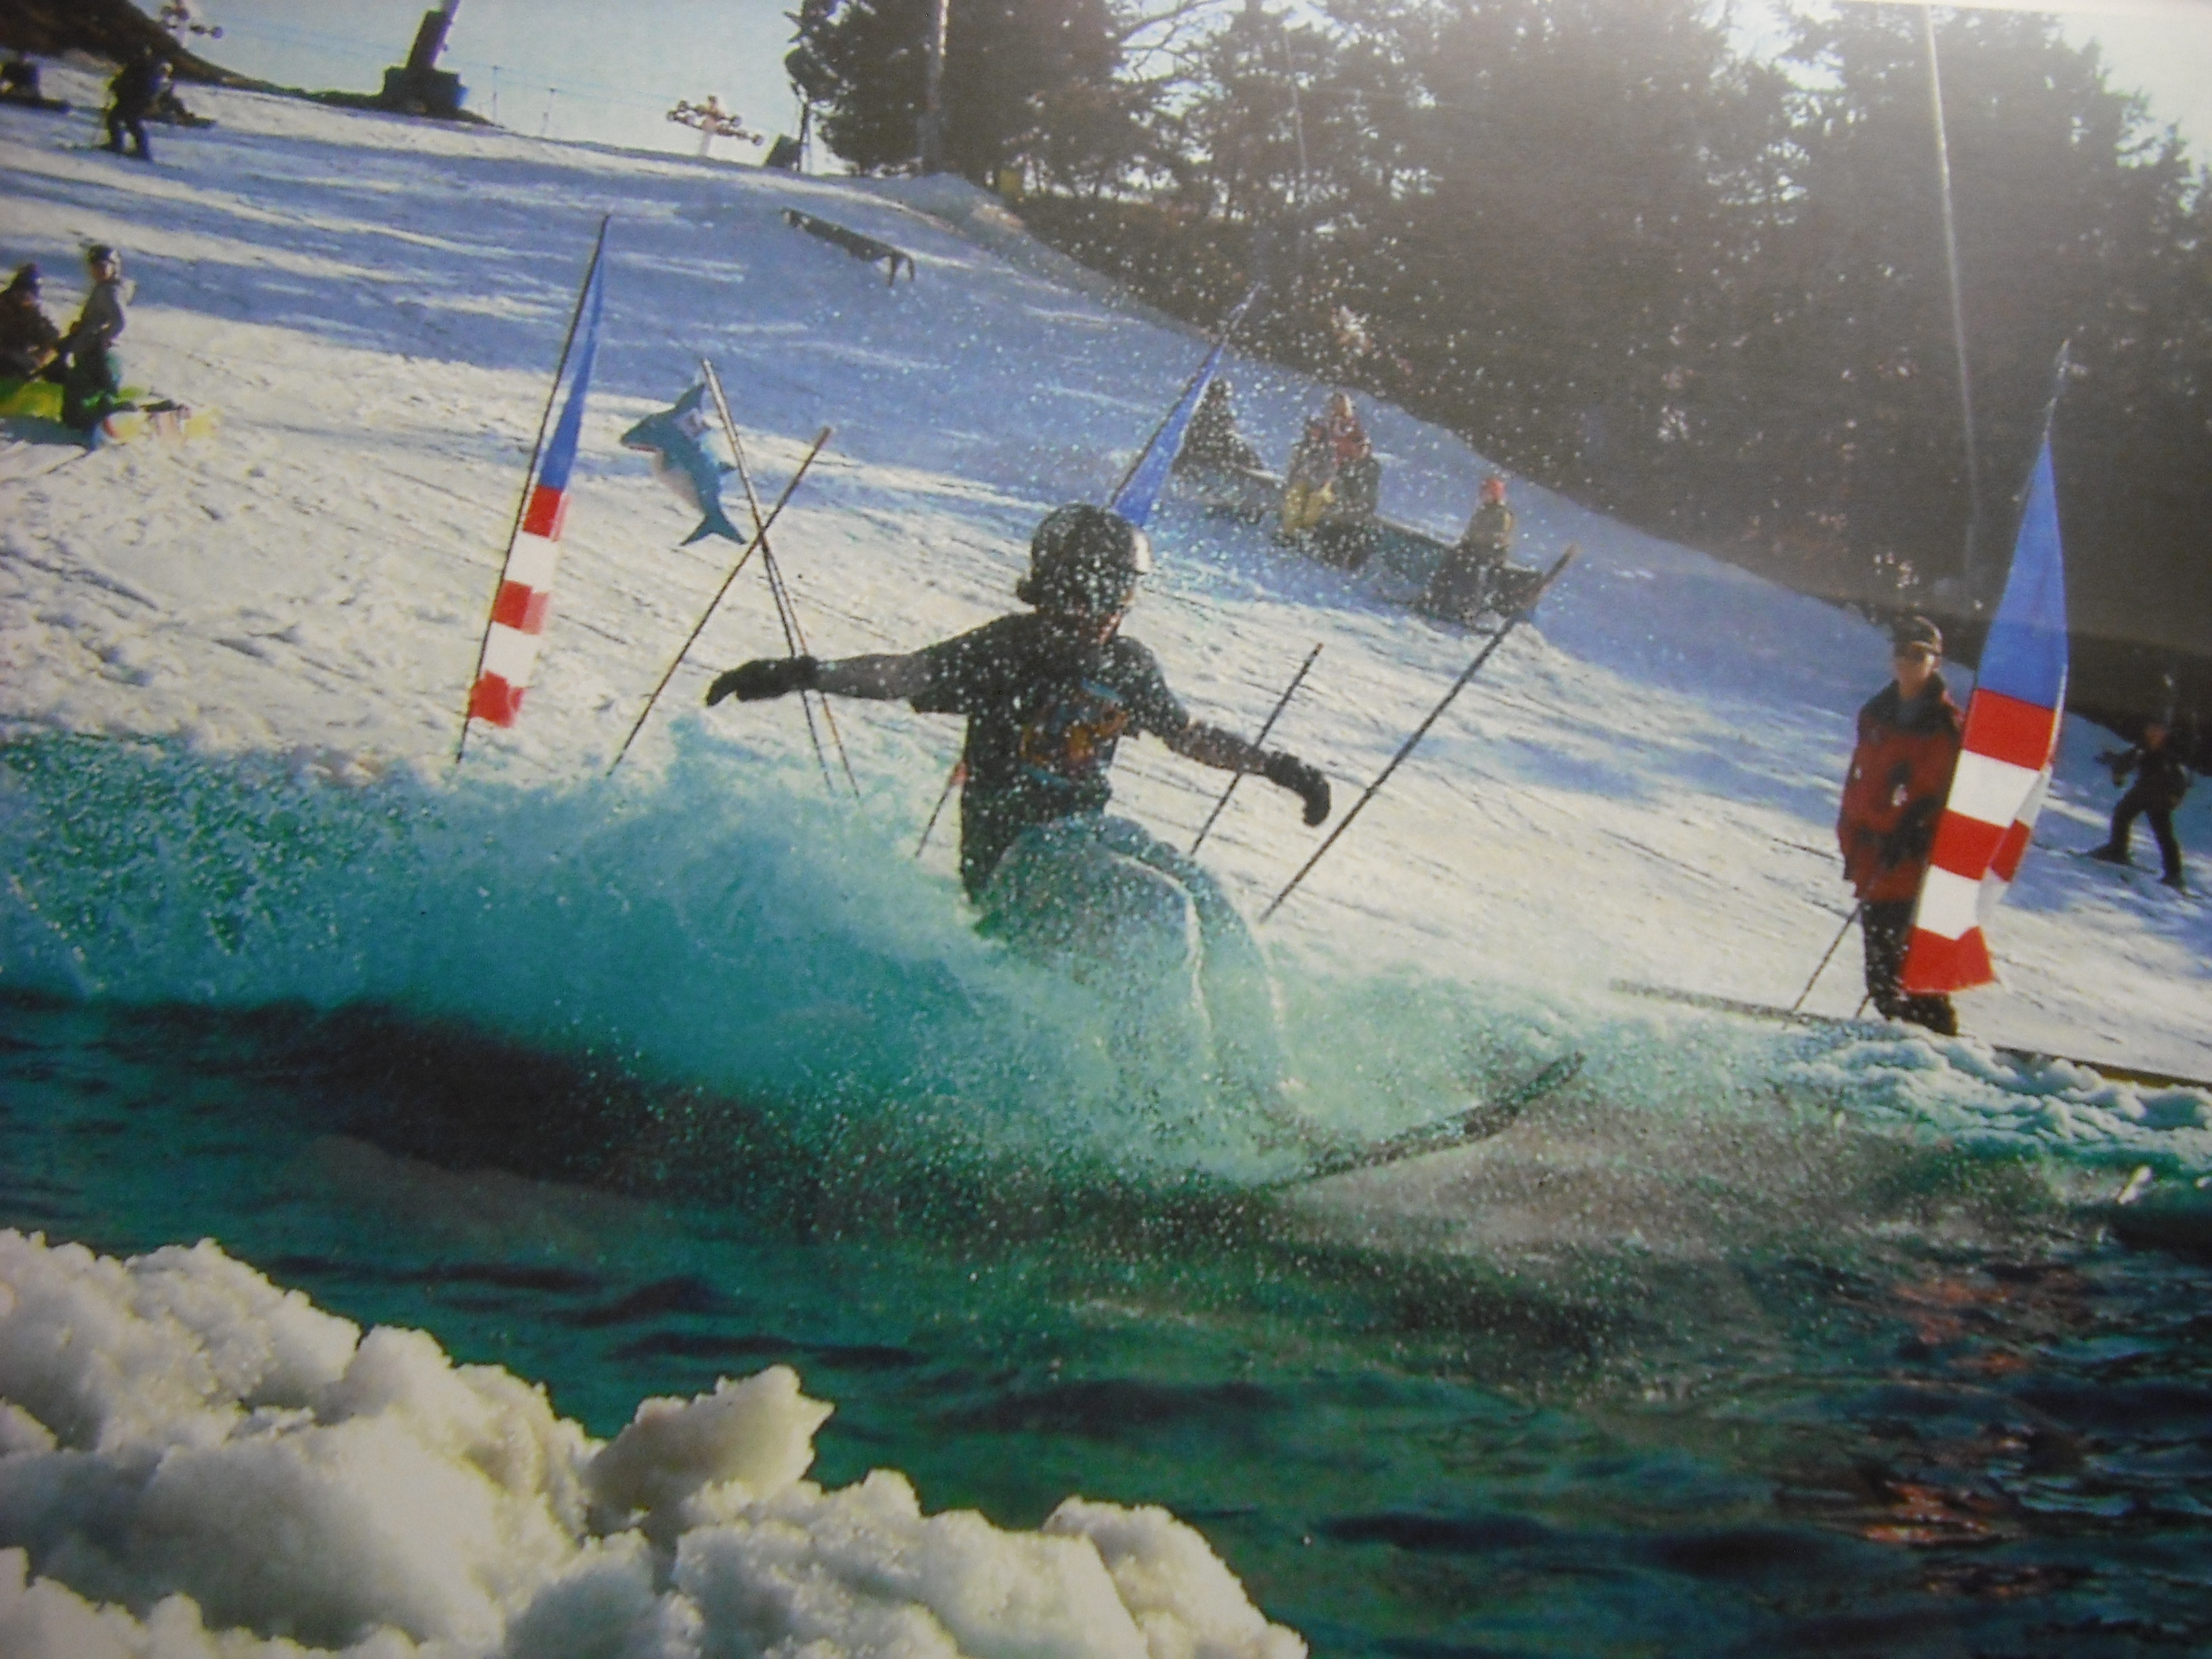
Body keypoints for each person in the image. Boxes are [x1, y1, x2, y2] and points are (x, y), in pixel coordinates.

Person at [703, 504, 1335, 1133]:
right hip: (1015, 860)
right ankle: (1162, 1114)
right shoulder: (1009, 648)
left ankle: (1265, 1099)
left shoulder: (1127, 663)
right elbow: (905, 673)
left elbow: (1188, 734)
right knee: (1158, 911)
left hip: (1088, 839)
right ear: (1058, 584)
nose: (1109, 607)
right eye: (1096, 587)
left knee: (1214, 904)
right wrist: (805, 673)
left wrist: (1277, 767)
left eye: (1124, 589)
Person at [1837, 615, 1965, 1034]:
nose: (1907, 662)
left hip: (1915, 868)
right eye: (1901, 652)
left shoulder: (1944, 726)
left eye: (1917, 654)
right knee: (1882, 980)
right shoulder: (1875, 714)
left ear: (1935, 662)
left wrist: (1914, 832)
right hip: (1875, 860)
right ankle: (1907, 1048)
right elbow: (1858, 781)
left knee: (1915, 979)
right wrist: (1851, 838)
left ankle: (1938, 1053)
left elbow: (1940, 796)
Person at [2088, 717, 2192, 890]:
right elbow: (2130, 759)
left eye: (2158, 731)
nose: (2153, 734)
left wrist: (2177, 795)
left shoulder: (2170, 752)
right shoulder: (2144, 747)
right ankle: (2118, 849)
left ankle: (2174, 874)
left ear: (2165, 734)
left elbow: (2180, 776)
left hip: (2160, 795)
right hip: (2145, 790)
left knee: (2162, 832)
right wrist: (2119, 772)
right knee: (2123, 814)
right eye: (2151, 730)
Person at [1419, 474, 1517, 623]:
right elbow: (1472, 532)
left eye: (1486, 493)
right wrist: (1466, 543)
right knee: (1451, 561)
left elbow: (1498, 537)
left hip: (1490, 554)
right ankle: (1436, 598)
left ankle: (1467, 608)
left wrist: (1477, 542)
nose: (1482, 496)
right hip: (1474, 550)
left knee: (1472, 570)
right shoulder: (1483, 511)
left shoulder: (1502, 514)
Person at [60, 245, 131, 441]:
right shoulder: (103, 289)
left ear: (113, 267)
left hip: (98, 354)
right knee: (89, 390)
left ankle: (100, 426)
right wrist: (83, 327)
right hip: (92, 351)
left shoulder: (111, 291)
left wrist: (102, 338)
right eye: (93, 267)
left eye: (102, 266)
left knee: (85, 390)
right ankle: (98, 423)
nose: (97, 271)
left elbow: (119, 320)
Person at [1174, 378, 1261, 472]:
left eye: (1223, 399)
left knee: (1236, 444)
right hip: (1202, 453)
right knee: (1231, 442)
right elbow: (1190, 437)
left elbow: (1229, 431)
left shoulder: (1223, 415)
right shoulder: (1198, 414)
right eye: (1217, 397)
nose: (1220, 402)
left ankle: (1254, 469)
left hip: (1217, 453)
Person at [104, 47, 170, 161]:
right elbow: (124, 79)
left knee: (128, 122)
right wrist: (116, 85)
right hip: (129, 99)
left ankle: (139, 150)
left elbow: (139, 85)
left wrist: (120, 87)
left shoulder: (145, 68)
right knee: (116, 119)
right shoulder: (137, 66)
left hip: (136, 101)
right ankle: (119, 144)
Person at [0, 265, 64, 382]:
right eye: (21, 290)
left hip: (25, 358)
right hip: (5, 355)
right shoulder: (3, 305)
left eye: (29, 292)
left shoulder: (39, 314)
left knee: (59, 369)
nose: (24, 296)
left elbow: (53, 340)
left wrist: (41, 355)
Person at [1278, 417, 1336, 540]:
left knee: (1316, 499)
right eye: (1313, 430)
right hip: (1304, 483)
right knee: (1295, 496)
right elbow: (1294, 469)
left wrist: (1316, 481)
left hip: (1323, 486)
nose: (1315, 433)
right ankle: (1290, 531)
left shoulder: (1328, 451)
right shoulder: (1302, 449)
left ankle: (1307, 529)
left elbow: (1329, 473)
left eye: (1318, 431)